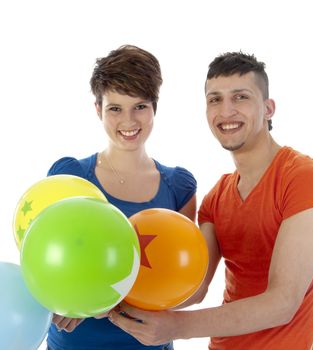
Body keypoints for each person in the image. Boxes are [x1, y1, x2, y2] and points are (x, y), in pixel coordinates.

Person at [107, 51, 313, 350]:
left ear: (268, 108)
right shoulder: (216, 197)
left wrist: (176, 327)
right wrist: (98, 300)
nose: (226, 111)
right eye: (215, 99)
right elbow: (192, 287)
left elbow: (283, 302)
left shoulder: (306, 179)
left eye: (240, 97)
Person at [45, 44, 197, 350]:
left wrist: (108, 303)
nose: (128, 121)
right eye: (115, 108)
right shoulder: (70, 177)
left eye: (139, 106)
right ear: (98, 109)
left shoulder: (179, 187)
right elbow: (44, 260)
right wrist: (66, 298)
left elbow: (182, 283)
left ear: (155, 108)